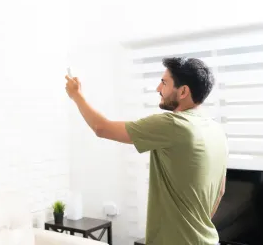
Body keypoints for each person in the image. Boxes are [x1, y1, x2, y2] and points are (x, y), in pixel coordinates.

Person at [65, 57, 228, 245]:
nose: (158, 88)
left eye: (164, 83)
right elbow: (221, 190)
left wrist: (76, 95)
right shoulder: (216, 130)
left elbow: (101, 128)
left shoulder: (174, 124)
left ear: (183, 91)